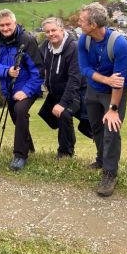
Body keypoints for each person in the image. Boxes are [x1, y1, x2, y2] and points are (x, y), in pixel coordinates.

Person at [77, 2, 127, 197]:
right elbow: (84, 69)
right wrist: (105, 79)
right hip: (94, 90)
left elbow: (119, 82)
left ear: (92, 24)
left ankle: (109, 173)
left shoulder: (119, 44)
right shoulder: (84, 39)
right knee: (96, 128)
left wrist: (114, 109)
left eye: (82, 21)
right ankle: (101, 159)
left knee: (111, 131)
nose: (78, 23)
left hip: (114, 94)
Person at [0, 9, 43, 171]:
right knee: (17, 119)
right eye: (2, 25)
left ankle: (20, 156)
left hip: (27, 88)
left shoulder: (27, 40)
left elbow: (38, 71)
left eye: (8, 24)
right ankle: (30, 148)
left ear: (14, 23)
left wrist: (26, 91)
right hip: (9, 89)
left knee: (20, 111)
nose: (5, 28)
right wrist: (7, 71)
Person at [38, 17, 84, 159]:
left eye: (54, 30)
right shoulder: (45, 46)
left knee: (64, 114)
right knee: (46, 114)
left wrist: (62, 104)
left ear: (62, 30)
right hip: (55, 92)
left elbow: (74, 79)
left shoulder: (73, 48)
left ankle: (65, 153)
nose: (51, 34)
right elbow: (38, 65)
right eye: (47, 31)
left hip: (75, 92)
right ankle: (66, 142)